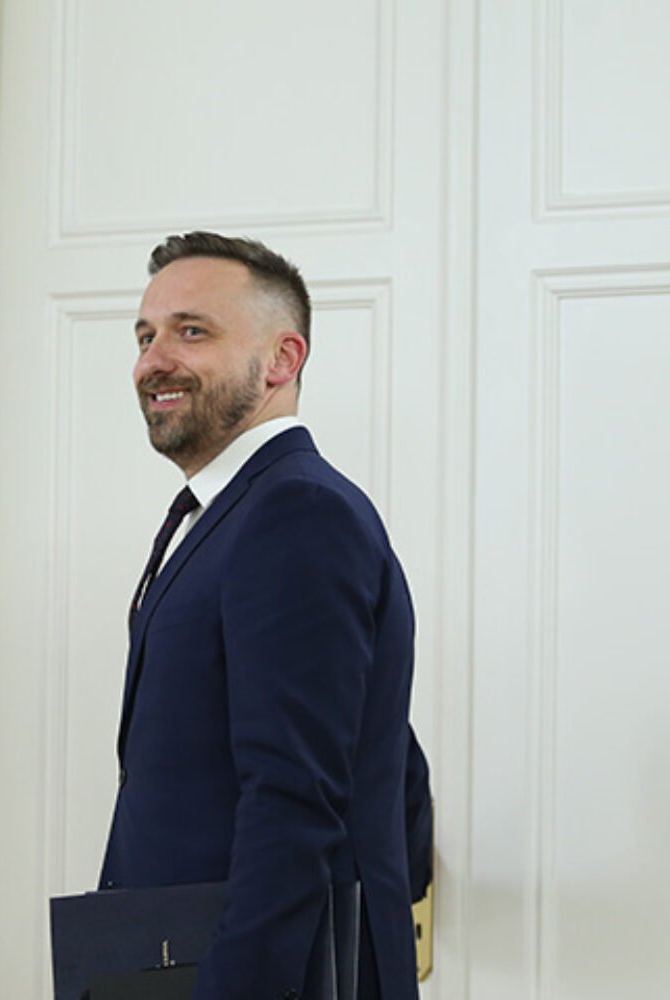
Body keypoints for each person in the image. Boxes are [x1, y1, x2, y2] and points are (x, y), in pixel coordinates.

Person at [98, 232, 428, 999]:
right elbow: (387, 758)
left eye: (191, 331)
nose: (152, 361)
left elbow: (294, 801)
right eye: (145, 337)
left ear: (282, 360)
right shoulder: (229, 514)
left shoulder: (297, 512)